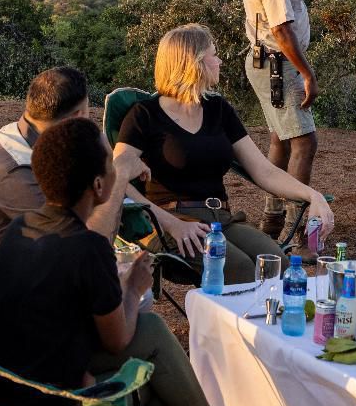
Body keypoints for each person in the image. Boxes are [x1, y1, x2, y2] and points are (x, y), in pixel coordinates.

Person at [0, 116, 300, 406]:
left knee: (148, 364)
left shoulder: (23, 228)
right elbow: (121, 335)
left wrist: (72, 369)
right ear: (98, 187)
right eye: (112, 165)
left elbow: (39, 320)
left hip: (2, 403)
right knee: (148, 339)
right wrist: (134, 288)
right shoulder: (86, 248)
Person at [0, 65, 145, 349]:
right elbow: (89, 240)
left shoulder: (14, 144)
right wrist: (117, 175)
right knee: (129, 305)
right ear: (78, 117)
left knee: (120, 296)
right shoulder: (18, 173)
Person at [117, 23, 334, 283]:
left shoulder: (218, 109)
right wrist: (168, 222)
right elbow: (115, 176)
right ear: (193, 62)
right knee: (239, 269)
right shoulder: (145, 115)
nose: (219, 60)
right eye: (213, 54)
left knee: (278, 265)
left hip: (220, 220)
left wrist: (313, 195)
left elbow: (263, 171)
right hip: (170, 222)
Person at [242, 0, 326, 241]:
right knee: (305, 143)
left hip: (262, 62)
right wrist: (307, 74)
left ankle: (272, 219)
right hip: (280, 66)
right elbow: (282, 32)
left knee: (280, 137)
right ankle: (293, 229)